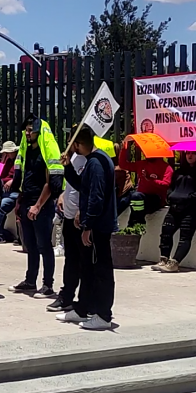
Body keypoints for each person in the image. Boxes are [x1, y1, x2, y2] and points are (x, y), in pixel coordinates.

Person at [58, 124, 117, 331]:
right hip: (95, 224)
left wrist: (87, 225)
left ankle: (102, 314)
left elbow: (96, 198)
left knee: (101, 269)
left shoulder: (97, 163)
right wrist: (67, 168)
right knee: (88, 267)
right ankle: (84, 308)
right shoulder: (94, 161)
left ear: (77, 144)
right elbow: (83, 186)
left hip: (98, 227)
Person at [8, 115, 64, 299]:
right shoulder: (26, 151)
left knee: (44, 246)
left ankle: (48, 285)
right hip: (26, 201)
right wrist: (20, 202)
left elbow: (50, 183)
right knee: (30, 245)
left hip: (41, 205)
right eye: (26, 129)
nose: (27, 132)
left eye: (31, 129)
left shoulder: (45, 152)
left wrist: (37, 206)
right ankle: (30, 281)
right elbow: (23, 178)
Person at [47, 128, 88, 313]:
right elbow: (72, 185)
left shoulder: (87, 161)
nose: (70, 143)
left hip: (81, 219)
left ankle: (83, 300)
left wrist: (81, 209)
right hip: (69, 217)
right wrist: (63, 194)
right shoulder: (71, 160)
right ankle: (67, 296)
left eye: (73, 140)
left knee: (83, 261)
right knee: (70, 260)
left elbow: (85, 188)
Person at [154, 151, 196, 273]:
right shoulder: (179, 171)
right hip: (174, 207)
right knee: (166, 232)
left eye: (193, 153)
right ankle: (164, 259)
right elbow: (171, 187)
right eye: (188, 153)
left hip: (190, 209)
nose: (190, 156)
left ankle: (175, 263)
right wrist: (169, 195)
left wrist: (189, 198)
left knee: (184, 237)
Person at [118, 138, 172, 226]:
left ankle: (137, 223)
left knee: (137, 198)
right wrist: (124, 148)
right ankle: (135, 222)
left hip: (156, 199)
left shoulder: (166, 167)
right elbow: (123, 165)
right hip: (141, 198)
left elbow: (166, 184)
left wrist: (151, 180)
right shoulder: (142, 164)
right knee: (134, 197)